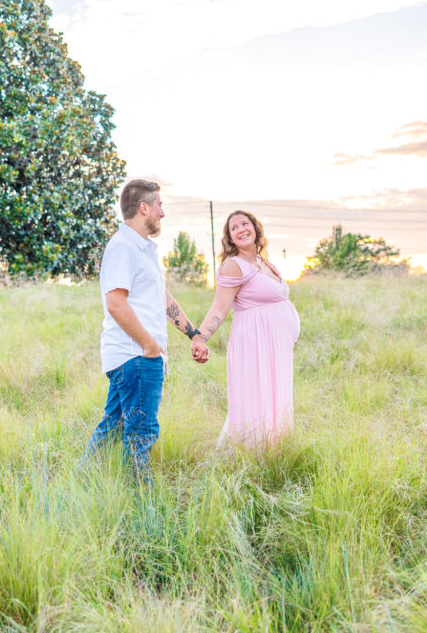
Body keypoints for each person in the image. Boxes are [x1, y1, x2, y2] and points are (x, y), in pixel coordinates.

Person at [81, 179, 210, 480]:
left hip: (137, 357)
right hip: (136, 357)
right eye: (159, 206)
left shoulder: (143, 249)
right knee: (142, 433)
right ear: (144, 208)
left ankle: (80, 483)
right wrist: (149, 346)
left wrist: (194, 334)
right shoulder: (123, 247)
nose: (162, 213)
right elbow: (115, 303)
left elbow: (162, 300)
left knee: (112, 427)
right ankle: (143, 507)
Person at [190, 210, 300, 448]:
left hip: (276, 346)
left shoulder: (263, 262)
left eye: (244, 224)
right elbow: (220, 309)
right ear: (229, 238)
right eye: (234, 228)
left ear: (255, 228)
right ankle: (246, 454)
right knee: (256, 398)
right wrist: (200, 338)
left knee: (276, 399)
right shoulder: (234, 266)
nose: (240, 229)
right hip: (255, 343)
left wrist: (289, 331)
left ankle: (274, 451)